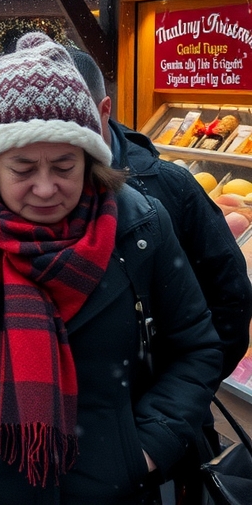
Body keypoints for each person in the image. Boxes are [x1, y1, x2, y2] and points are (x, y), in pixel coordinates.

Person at [0, 33, 222, 504]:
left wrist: (142, 451)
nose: (45, 187)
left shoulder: (139, 228)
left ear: (90, 159)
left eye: (64, 166)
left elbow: (196, 347)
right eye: (22, 168)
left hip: (110, 492)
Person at [68, 47, 252, 496]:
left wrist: (172, 410)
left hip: (159, 450)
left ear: (103, 110)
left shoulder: (167, 187)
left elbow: (229, 301)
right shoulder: (10, 195)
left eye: (74, 119)